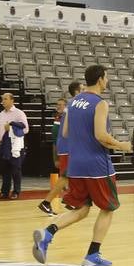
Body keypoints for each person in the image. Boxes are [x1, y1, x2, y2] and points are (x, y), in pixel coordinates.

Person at [32, 65, 132, 266]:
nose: (108, 80)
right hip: (97, 165)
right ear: (101, 80)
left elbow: (66, 131)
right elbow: (101, 136)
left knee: (82, 209)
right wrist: (122, 145)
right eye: (107, 77)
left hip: (76, 165)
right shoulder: (100, 103)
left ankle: (48, 232)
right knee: (108, 208)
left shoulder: (73, 102)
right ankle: (93, 255)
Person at [41, 80, 83, 216]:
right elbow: (69, 130)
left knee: (72, 175)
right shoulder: (72, 107)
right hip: (67, 147)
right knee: (65, 177)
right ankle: (46, 202)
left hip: (68, 146)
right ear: (77, 92)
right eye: (82, 89)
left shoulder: (71, 107)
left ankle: (71, 201)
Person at [0, 92, 29, 199]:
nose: (3, 101)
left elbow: (26, 129)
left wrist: (12, 129)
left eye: (5, 99)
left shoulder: (19, 113)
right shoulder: (1, 114)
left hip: (15, 145)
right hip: (3, 144)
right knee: (5, 169)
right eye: (2, 99)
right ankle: (4, 192)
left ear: (12, 100)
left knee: (15, 169)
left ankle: (16, 191)